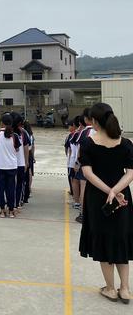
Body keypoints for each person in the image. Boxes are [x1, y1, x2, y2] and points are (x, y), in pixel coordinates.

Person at [78, 102, 133, 303]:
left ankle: (110, 288)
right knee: (120, 238)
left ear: (93, 121)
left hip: (97, 198)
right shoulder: (125, 143)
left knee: (103, 239)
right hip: (122, 198)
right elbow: (131, 173)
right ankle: (125, 289)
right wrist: (117, 190)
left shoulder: (88, 143)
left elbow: (87, 173)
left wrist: (109, 191)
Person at [0, 113, 20, 218]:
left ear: (1, 123)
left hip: (0, 165)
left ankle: (2, 210)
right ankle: (11, 210)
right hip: (12, 166)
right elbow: (17, 149)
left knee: (1, 189)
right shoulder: (15, 136)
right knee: (11, 188)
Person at [11, 112, 30, 211]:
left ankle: (11, 202)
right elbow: (26, 148)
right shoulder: (23, 133)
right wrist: (26, 161)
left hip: (10, 163)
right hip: (20, 162)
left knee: (11, 184)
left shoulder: (7, 132)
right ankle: (17, 203)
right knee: (19, 184)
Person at [22, 121, 35, 204]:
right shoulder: (31, 136)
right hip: (29, 153)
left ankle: (26, 189)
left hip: (24, 152)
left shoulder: (23, 134)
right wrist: (33, 156)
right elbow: (33, 147)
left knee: (26, 172)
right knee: (29, 172)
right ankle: (29, 188)